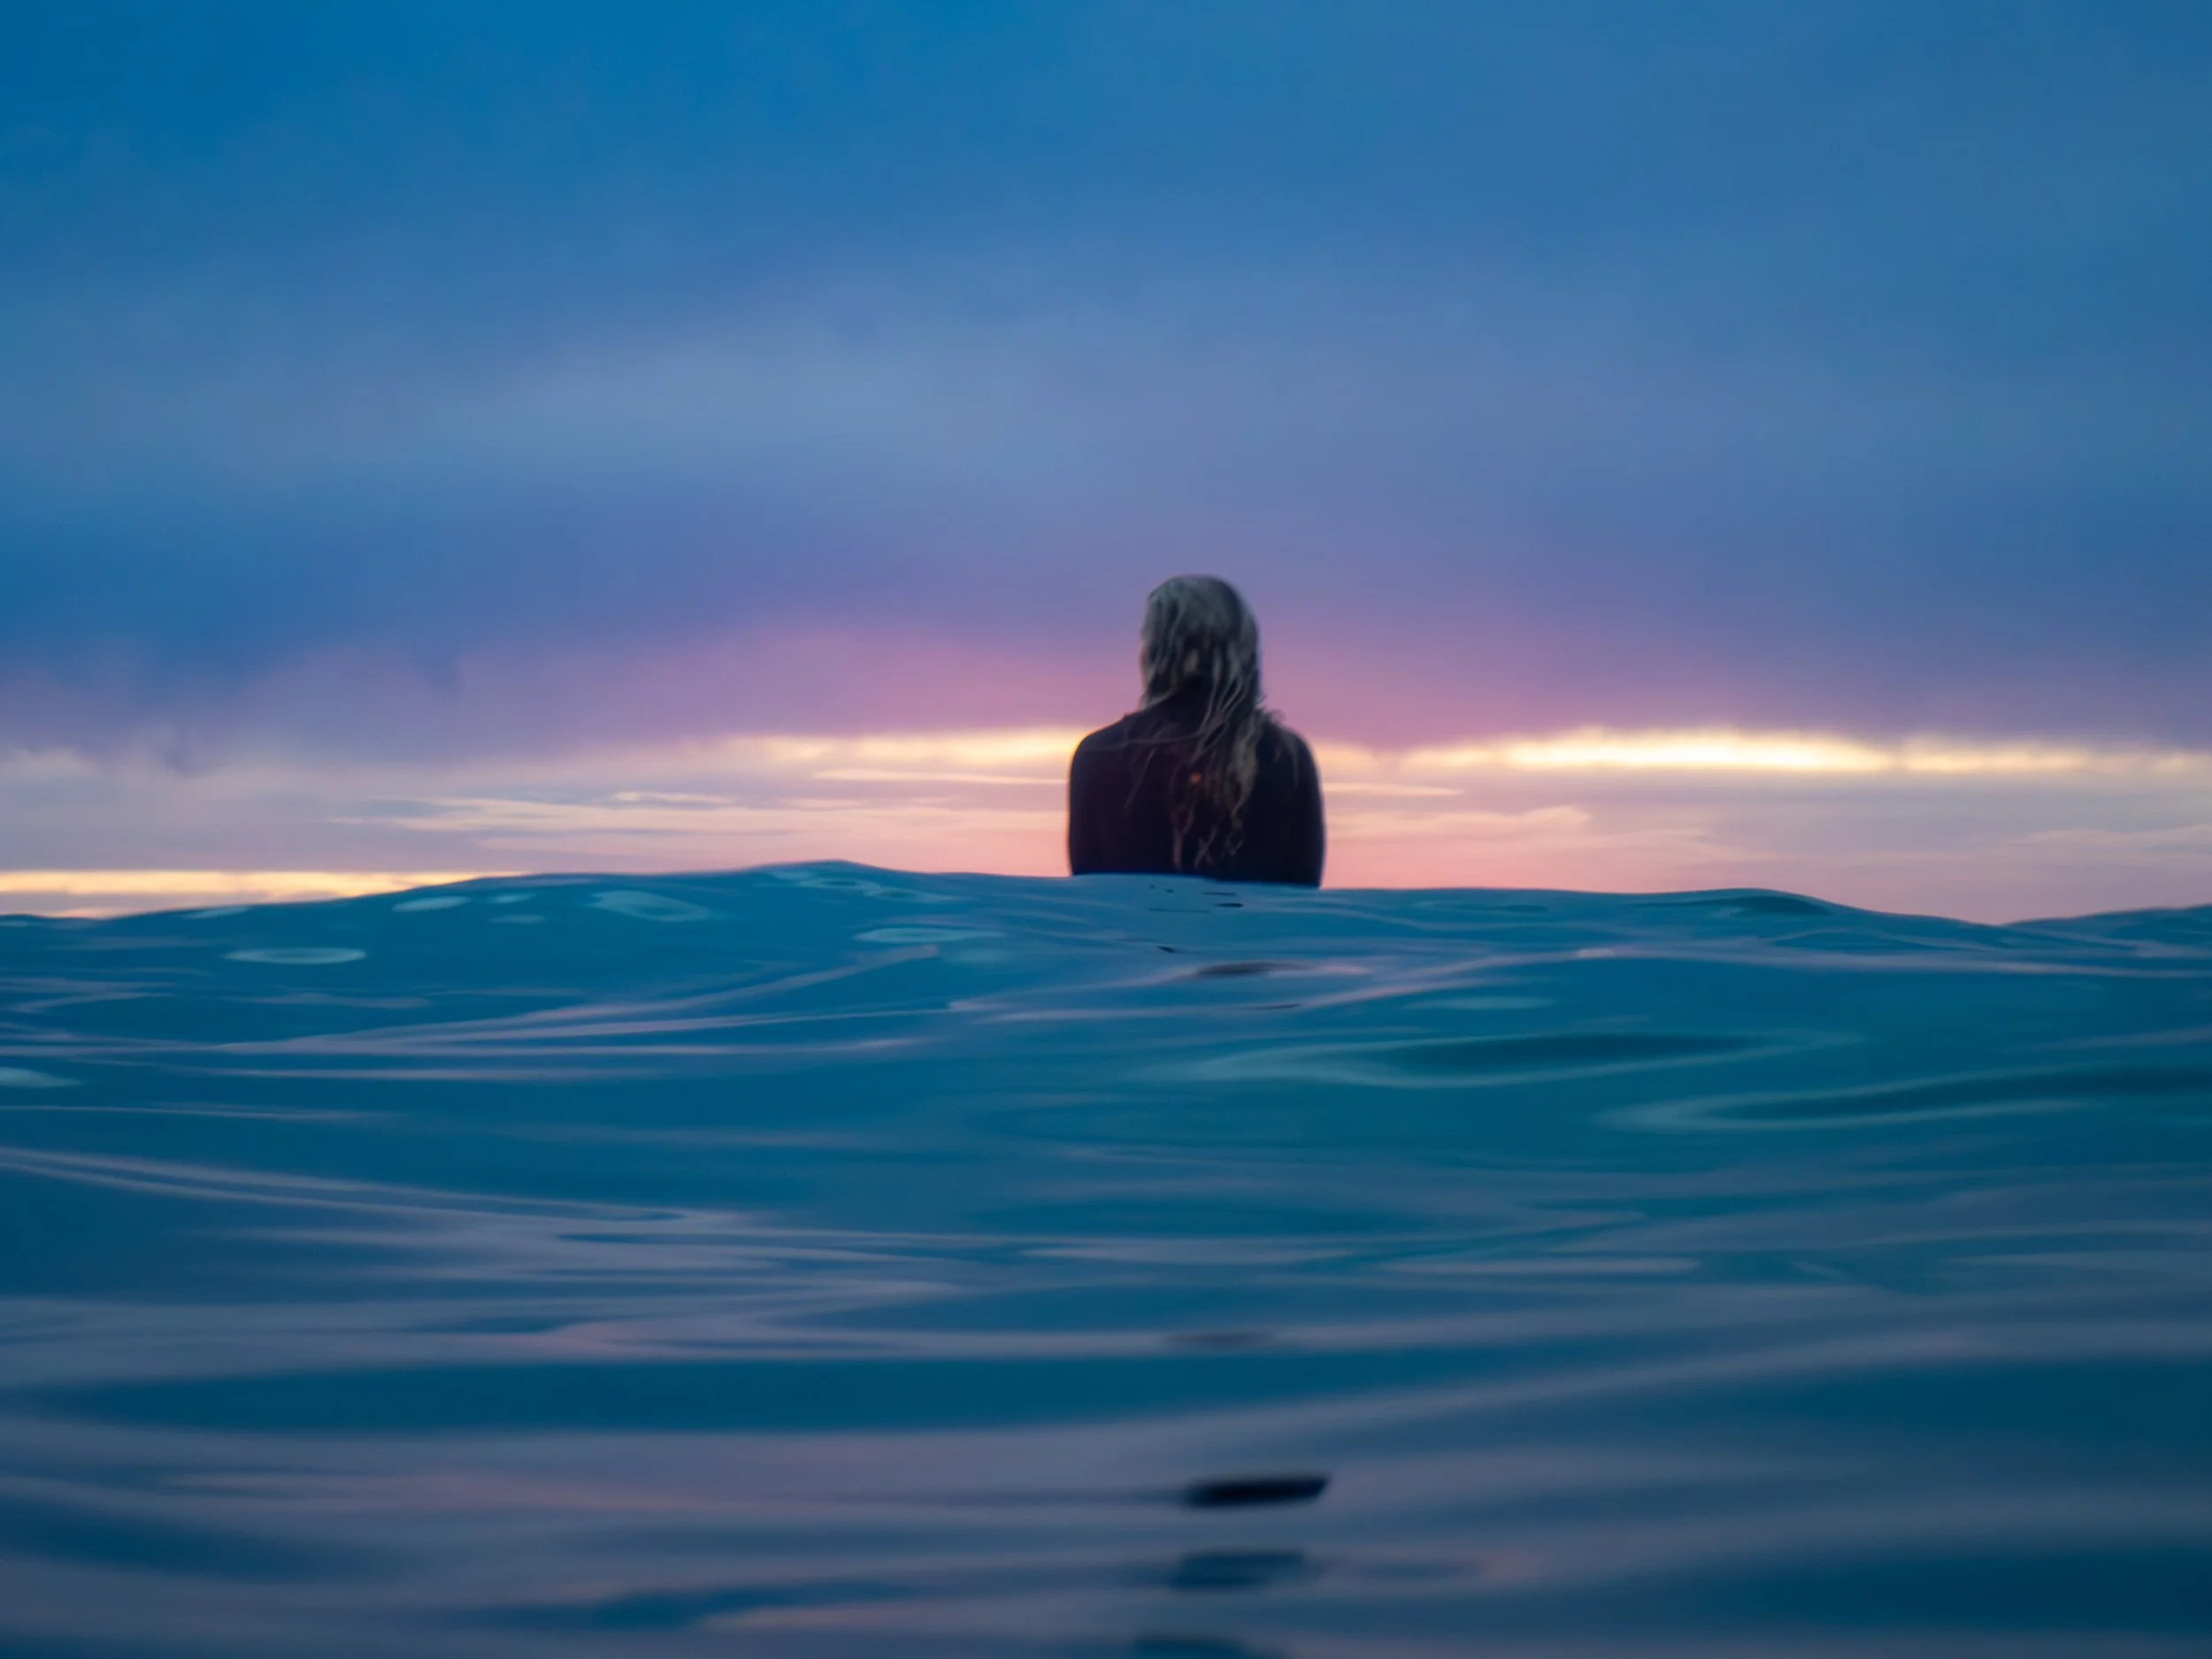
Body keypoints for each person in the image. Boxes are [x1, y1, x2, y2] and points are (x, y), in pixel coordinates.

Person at [1068, 576, 1325, 887]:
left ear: (1155, 650)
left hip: (1135, 935)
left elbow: (1090, 893)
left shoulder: (1099, 754)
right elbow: (1302, 891)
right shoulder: (1286, 757)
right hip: (1247, 935)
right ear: (1244, 647)